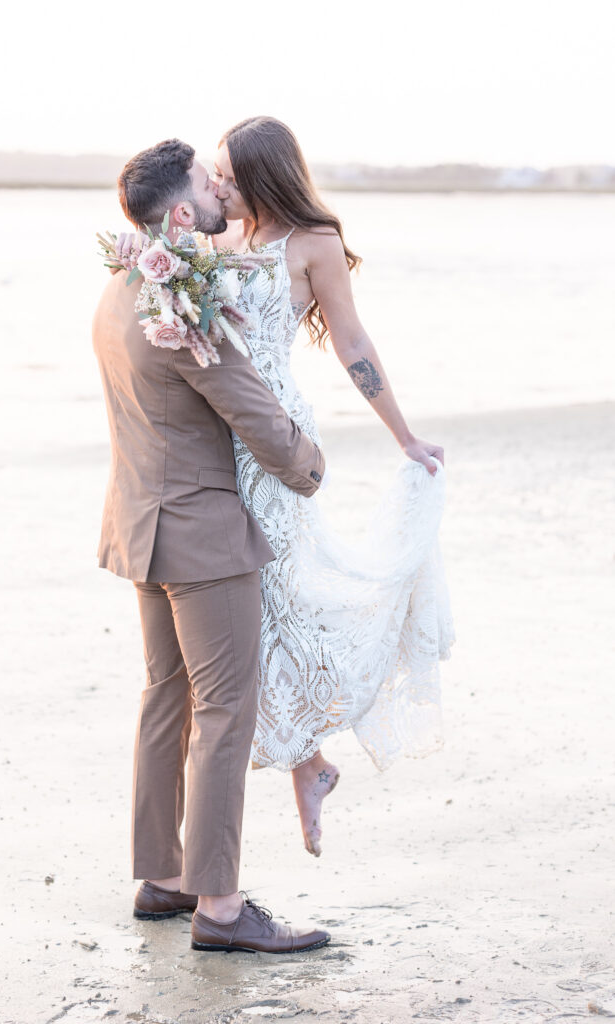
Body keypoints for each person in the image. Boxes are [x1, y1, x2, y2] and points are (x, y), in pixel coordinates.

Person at [93, 138, 330, 953]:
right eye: (206, 180)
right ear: (184, 212)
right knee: (225, 711)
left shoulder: (122, 290)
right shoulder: (178, 305)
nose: (220, 187)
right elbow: (249, 408)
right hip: (201, 537)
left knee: (166, 696)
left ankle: (161, 876)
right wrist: (308, 466)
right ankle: (222, 909)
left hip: (140, 524)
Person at [212, 116, 455, 857]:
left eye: (227, 174)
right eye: (213, 173)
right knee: (251, 603)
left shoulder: (311, 244)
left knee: (282, 594)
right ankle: (309, 764)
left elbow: (351, 342)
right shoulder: (221, 237)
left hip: (275, 441)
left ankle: (306, 763)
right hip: (215, 437)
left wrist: (404, 436)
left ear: (263, 173)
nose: (217, 185)